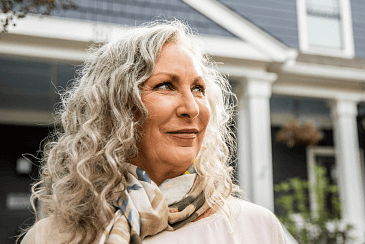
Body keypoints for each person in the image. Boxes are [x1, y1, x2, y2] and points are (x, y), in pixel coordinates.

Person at [20, 20, 287, 244]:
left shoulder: (255, 228)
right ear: (116, 108)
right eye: (166, 86)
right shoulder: (50, 237)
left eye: (198, 88)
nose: (192, 108)